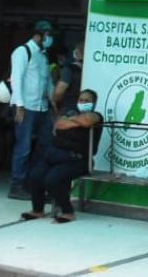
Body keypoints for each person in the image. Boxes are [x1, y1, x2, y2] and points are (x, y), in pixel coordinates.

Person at [20, 88, 103, 223]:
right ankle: (37, 210)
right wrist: (77, 120)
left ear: (94, 103)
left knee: (52, 179)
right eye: (81, 100)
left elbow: (87, 121)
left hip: (79, 160)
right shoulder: (72, 113)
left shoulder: (97, 116)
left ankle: (68, 212)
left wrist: (71, 121)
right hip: (56, 155)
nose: (83, 102)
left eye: (86, 101)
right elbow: (59, 124)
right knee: (35, 176)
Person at [9, 20, 55, 199]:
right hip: (26, 108)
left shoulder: (43, 55)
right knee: (24, 147)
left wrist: (53, 103)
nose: (49, 38)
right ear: (39, 34)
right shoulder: (23, 51)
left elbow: (47, 82)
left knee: (45, 145)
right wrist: (19, 105)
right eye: (48, 35)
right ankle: (16, 185)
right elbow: (16, 79)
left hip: (42, 108)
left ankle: (33, 182)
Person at [52, 41, 83, 114]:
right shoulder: (93, 69)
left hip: (69, 109)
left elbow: (58, 93)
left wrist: (54, 102)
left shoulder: (69, 69)